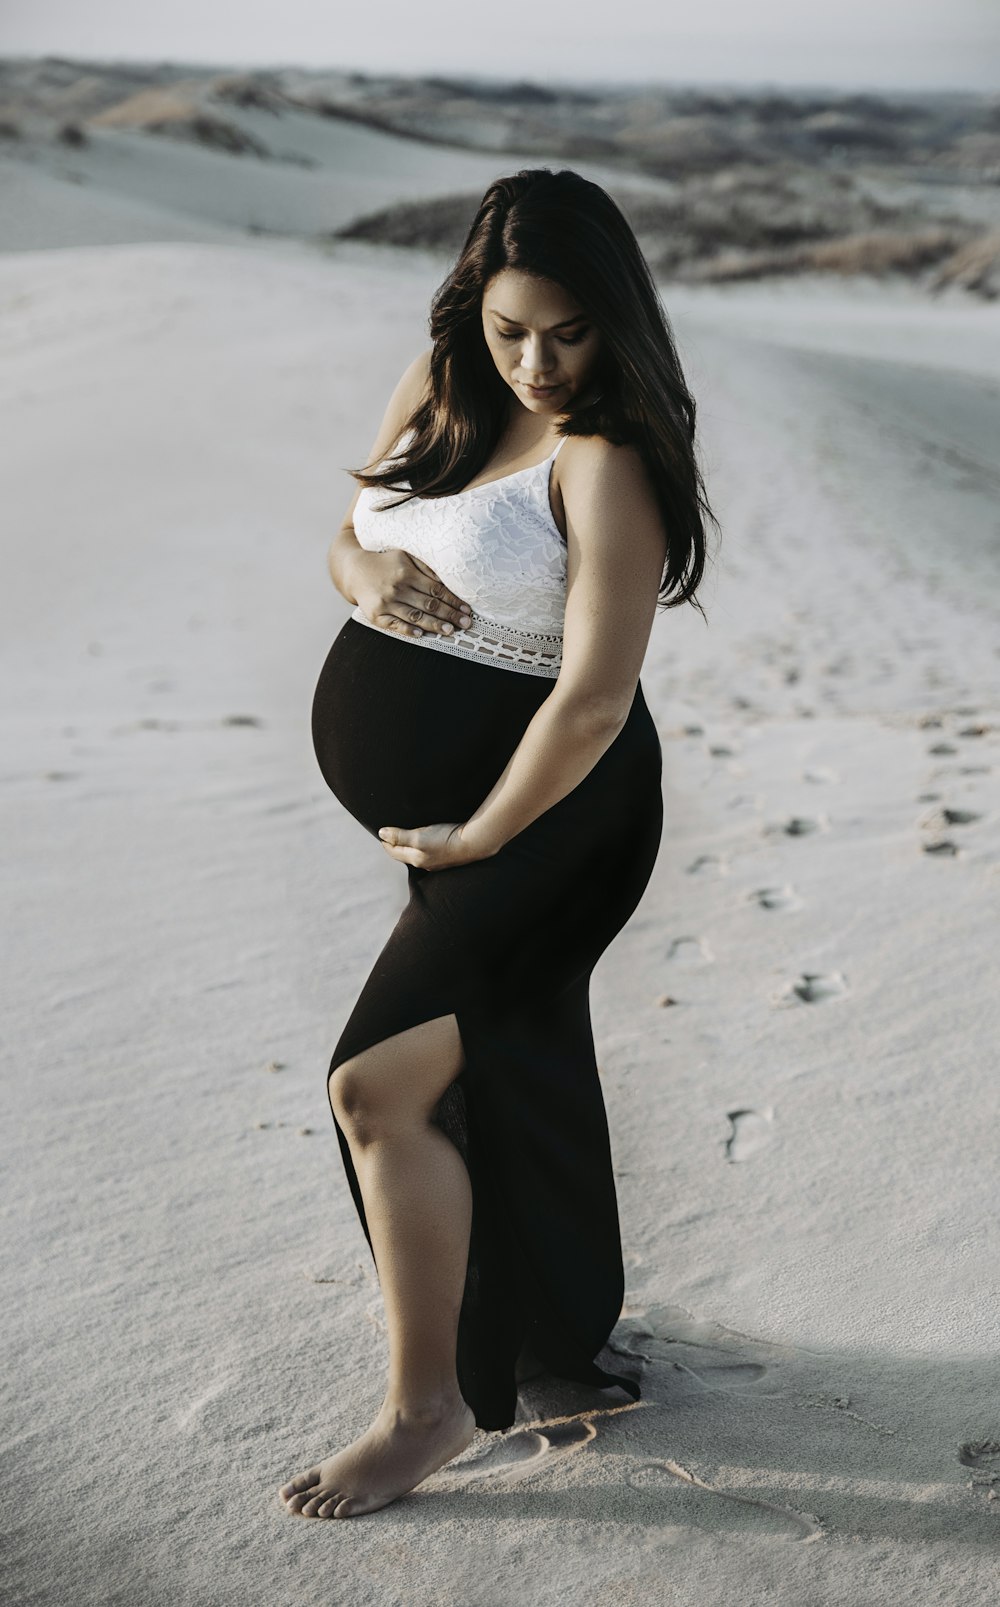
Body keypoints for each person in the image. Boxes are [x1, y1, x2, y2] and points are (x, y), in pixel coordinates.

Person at [280, 167, 717, 1520]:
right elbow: (348, 531)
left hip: (558, 818)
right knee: (498, 1060)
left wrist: (479, 835)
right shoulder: (443, 377)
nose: (537, 363)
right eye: (513, 328)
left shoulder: (606, 456)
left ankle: (427, 1412)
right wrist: (365, 576)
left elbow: (592, 697)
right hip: (469, 821)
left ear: (618, 323)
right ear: (476, 305)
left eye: (570, 333)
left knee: (376, 1086)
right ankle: (541, 1337)